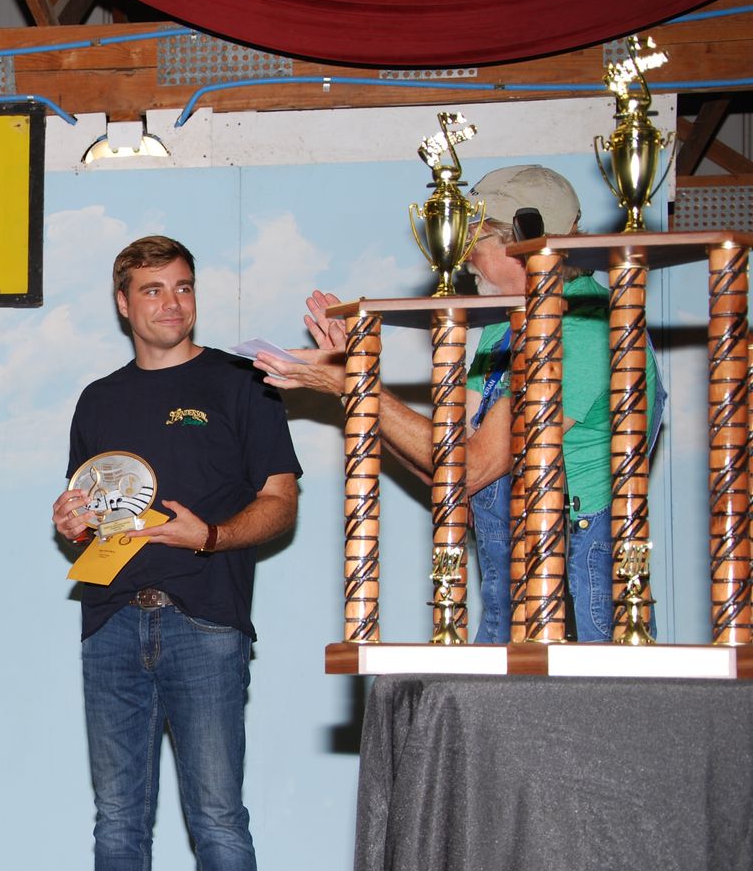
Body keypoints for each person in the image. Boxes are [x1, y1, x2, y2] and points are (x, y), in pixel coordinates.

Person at [44, 236, 301, 871]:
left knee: (218, 816)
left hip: (206, 621)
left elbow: (281, 500)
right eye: (153, 289)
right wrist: (69, 520)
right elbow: (89, 516)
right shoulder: (97, 400)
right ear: (124, 302)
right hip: (110, 622)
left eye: (183, 287)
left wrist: (211, 536)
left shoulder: (239, 382)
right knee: (118, 820)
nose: (172, 302)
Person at [254, 164, 660, 642]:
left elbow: (470, 468)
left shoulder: (580, 328)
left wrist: (360, 387)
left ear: (522, 243)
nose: (465, 258)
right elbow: (446, 475)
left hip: (578, 588)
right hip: (511, 586)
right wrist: (355, 386)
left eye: (476, 241)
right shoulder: (505, 324)